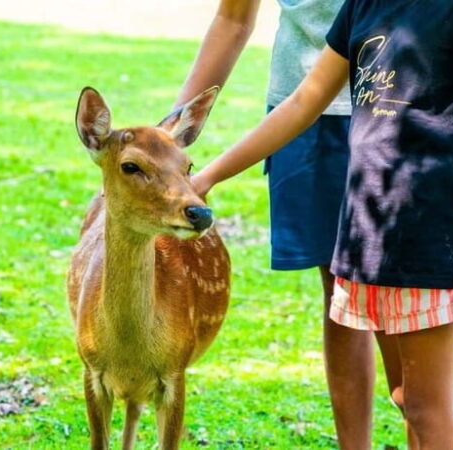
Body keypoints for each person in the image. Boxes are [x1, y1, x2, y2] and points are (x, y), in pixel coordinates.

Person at [191, 0, 453, 447]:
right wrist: (208, 176)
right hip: (367, 232)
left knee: (425, 405)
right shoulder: (364, 4)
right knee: (409, 395)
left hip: (430, 229)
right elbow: (303, 102)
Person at [175, 1, 410, 448]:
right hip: (301, 115)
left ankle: (432, 433)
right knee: (341, 294)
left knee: (405, 305)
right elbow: (233, 19)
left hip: (394, 108)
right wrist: (177, 123)